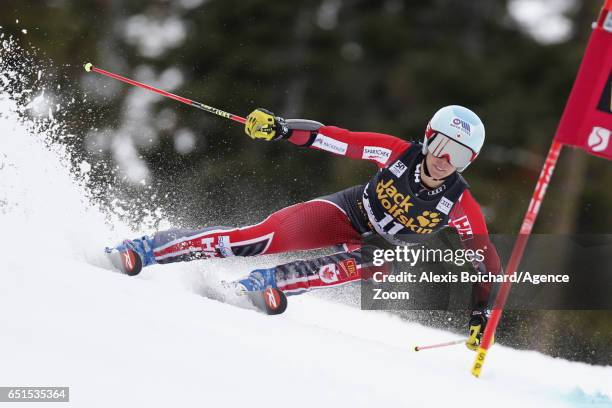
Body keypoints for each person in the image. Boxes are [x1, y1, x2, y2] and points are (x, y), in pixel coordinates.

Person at [107, 105, 501, 350]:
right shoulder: (397, 152)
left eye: (461, 155)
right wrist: (282, 128)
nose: (447, 160)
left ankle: (269, 282)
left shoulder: (460, 205)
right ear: (429, 138)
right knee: (255, 239)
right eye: (443, 146)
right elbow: (337, 140)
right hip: (348, 212)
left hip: (379, 247)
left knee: (380, 263)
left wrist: (481, 316)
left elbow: (487, 265)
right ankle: (146, 249)